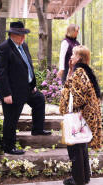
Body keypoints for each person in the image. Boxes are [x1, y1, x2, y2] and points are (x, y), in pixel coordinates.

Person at [0, 21, 51, 155]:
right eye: (21, 35)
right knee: (11, 119)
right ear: (12, 34)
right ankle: (9, 147)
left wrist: (33, 85)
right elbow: (1, 73)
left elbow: (28, 66)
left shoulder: (23, 45)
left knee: (39, 100)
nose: (23, 37)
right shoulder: (4, 48)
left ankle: (37, 129)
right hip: (12, 92)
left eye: (24, 35)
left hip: (27, 88)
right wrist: (6, 93)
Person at [59, 45, 102, 185]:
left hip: (78, 116)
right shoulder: (85, 71)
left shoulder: (79, 73)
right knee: (81, 147)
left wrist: (65, 98)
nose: (71, 57)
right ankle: (84, 177)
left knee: (75, 148)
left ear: (80, 58)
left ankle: (78, 180)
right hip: (85, 116)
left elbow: (78, 98)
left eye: (73, 54)